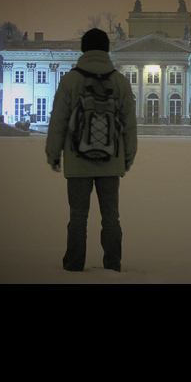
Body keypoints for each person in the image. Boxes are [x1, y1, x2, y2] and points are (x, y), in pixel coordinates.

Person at [46, 28, 138, 272]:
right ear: (107, 49)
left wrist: (53, 153)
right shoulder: (120, 81)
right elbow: (129, 124)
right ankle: (113, 265)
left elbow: (58, 120)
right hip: (111, 159)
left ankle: (74, 265)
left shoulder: (70, 80)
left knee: (78, 217)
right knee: (111, 218)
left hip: (77, 160)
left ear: (83, 49)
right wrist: (128, 157)